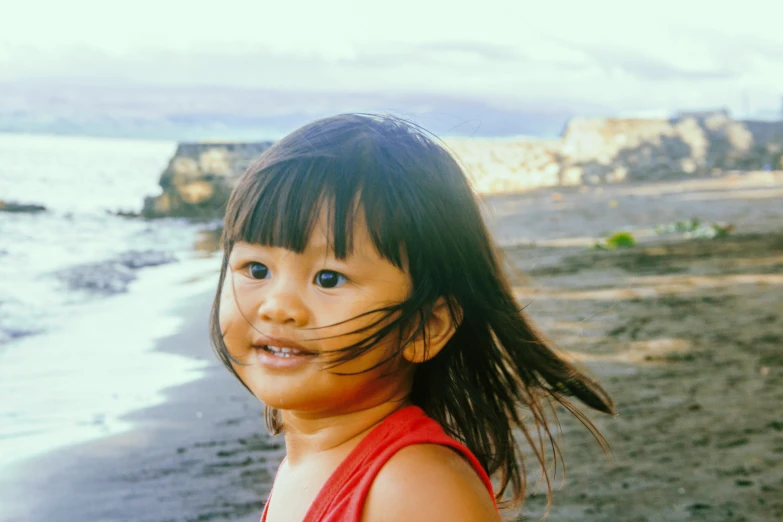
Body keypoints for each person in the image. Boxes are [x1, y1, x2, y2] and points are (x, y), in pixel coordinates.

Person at [210, 114, 614, 521]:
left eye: (329, 278)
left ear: (426, 327)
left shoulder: (414, 488)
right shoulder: (313, 462)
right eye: (256, 269)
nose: (278, 307)